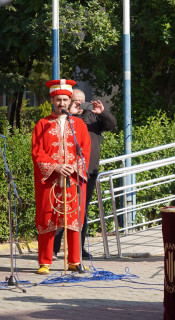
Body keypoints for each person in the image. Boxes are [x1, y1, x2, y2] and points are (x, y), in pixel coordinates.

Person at [31, 79, 91, 274]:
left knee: (73, 219)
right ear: (53, 101)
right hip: (50, 180)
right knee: (48, 217)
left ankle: (74, 260)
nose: (62, 103)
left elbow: (85, 150)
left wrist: (72, 167)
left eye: (65, 100)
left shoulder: (79, 125)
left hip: (72, 179)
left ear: (70, 101)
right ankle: (45, 262)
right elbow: (37, 152)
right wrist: (55, 166)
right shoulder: (42, 124)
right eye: (58, 100)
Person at [53, 89, 117, 260]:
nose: (80, 105)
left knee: (82, 210)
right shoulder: (66, 117)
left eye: (83, 101)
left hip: (88, 172)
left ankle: (78, 249)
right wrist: (71, 114)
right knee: (63, 208)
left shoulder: (93, 117)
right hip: (69, 171)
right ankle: (54, 248)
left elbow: (111, 125)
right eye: (76, 101)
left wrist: (102, 113)